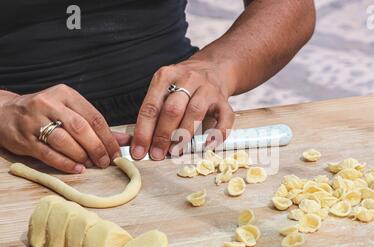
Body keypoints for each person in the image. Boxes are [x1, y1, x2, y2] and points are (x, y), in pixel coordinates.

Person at [0, 0, 316, 173]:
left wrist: (214, 69)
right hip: (17, 137)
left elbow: (291, 7)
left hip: (175, 120)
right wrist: (6, 109)